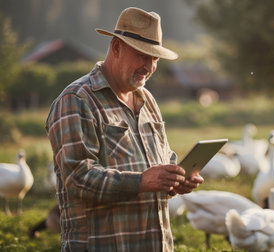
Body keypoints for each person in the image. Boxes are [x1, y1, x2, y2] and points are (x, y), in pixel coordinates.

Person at [45, 7, 203, 252]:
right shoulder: (76, 100)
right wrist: (141, 181)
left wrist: (175, 181)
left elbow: (160, 164)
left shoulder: (147, 100)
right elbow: (77, 178)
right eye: (143, 55)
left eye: (155, 58)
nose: (149, 67)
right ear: (116, 47)